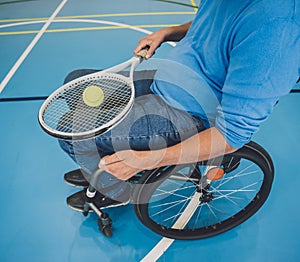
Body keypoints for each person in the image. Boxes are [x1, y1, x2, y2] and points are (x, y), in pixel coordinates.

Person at [60, 0, 300, 211]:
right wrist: (169, 32)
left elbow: (233, 134)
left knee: (71, 132)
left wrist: (149, 159)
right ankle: (104, 162)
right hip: (169, 79)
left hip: (190, 113)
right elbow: (211, 20)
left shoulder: (277, 32)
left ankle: (114, 192)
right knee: (74, 84)